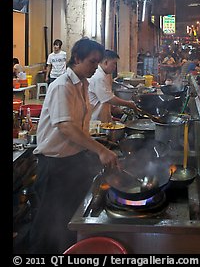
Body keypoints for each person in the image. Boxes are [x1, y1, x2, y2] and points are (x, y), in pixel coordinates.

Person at [29, 38, 118, 254]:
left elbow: (79, 127)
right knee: (48, 223)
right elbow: (66, 127)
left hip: (72, 161)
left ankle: (67, 251)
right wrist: (100, 150)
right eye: (91, 62)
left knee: (68, 218)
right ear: (77, 58)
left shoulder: (83, 84)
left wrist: (96, 145)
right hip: (54, 165)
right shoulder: (62, 86)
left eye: (97, 63)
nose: (95, 67)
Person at [88, 49, 137, 122]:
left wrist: (113, 108)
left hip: (100, 117)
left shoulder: (102, 75)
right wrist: (129, 104)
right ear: (106, 62)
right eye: (114, 63)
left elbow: (103, 97)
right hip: (95, 120)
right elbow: (108, 98)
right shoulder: (98, 76)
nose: (115, 67)